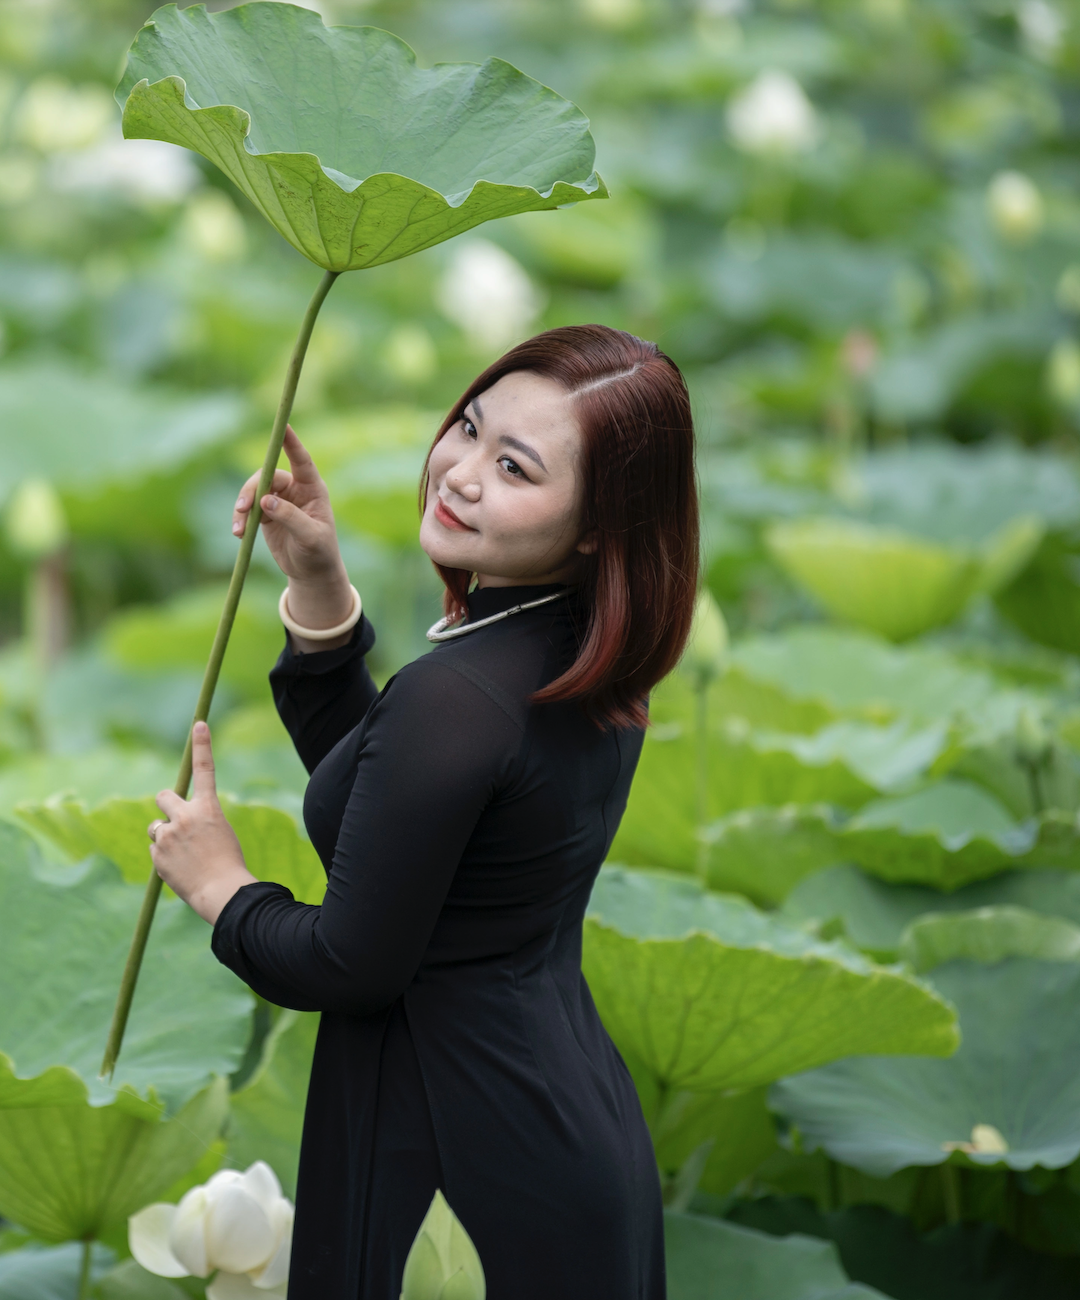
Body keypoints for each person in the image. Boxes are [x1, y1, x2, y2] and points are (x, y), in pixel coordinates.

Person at [146, 324, 698, 1299]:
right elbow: (407, 819)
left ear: (596, 525)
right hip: (560, 1121)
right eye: (472, 427)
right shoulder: (585, 659)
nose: (463, 472)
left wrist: (222, 887)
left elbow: (350, 962)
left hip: (454, 1152)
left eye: (516, 467)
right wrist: (319, 589)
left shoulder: (466, 692)